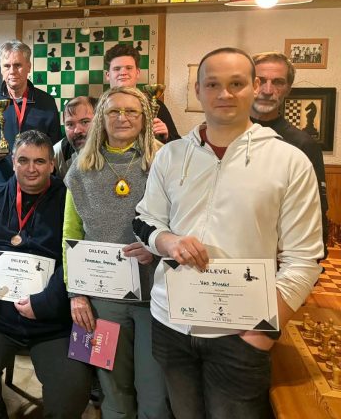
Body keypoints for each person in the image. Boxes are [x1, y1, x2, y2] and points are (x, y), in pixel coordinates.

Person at [133, 47, 323, 419]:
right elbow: (145, 221)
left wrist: (265, 329)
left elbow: (305, 259)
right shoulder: (170, 156)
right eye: (213, 84)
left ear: (254, 87)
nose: (225, 93)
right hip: (171, 324)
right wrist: (169, 241)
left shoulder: (289, 160)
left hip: (242, 332)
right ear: (198, 91)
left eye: (237, 84)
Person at [0, 130, 91, 419]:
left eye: (39, 161)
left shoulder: (70, 201)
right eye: (24, 160)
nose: (31, 169)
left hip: (51, 320)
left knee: (73, 386)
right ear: (13, 161)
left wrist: (45, 303)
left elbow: (76, 257)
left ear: (52, 164)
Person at [63, 87, 169, 419]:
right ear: (101, 119)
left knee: (155, 392)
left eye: (131, 111)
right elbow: (71, 234)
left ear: (145, 118)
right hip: (103, 299)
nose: (122, 118)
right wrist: (76, 293)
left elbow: (184, 224)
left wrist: (158, 248)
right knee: (113, 388)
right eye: (113, 111)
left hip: (156, 297)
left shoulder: (165, 161)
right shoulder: (81, 167)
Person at [250, 51, 329, 255]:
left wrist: (312, 260)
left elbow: (317, 210)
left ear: (288, 89)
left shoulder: (303, 144)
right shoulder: (223, 136)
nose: (267, 90)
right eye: (260, 81)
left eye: (278, 82)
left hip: (278, 257)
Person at [0, 41, 61, 186]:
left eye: (18, 65)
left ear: (29, 67)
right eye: (7, 66)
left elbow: (56, 145)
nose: (12, 71)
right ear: (1, 69)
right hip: (1, 182)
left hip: (38, 182)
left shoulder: (46, 102)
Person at [104, 43, 179, 142]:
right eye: (117, 69)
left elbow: (177, 143)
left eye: (129, 68)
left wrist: (166, 137)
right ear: (107, 75)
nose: (123, 72)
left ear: (137, 73)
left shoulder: (156, 106)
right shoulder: (97, 107)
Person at [53, 95, 95, 177]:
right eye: (70, 124)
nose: (77, 130)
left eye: (85, 122)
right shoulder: (59, 153)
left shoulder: (114, 149)